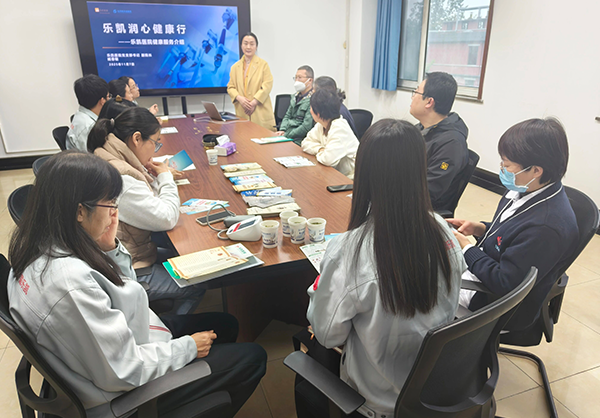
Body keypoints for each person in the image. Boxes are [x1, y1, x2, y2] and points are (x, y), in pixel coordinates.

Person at [7, 151, 267, 418]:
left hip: (123, 344)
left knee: (225, 325)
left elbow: (126, 293)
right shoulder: (71, 285)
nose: (115, 212)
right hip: (123, 395)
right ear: (80, 211)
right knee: (252, 358)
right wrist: (188, 347)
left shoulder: (39, 246)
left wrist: (110, 248)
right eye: (110, 203)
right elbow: (124, 371)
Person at [305, 119, 466, 418]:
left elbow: (328, 336)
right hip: (434, 387)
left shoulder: (349, 250)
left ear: (364, 174)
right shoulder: (443, 230)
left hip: (376, 402)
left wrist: (317, 292)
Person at [448, 118, 578, 332]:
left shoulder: (546, 227)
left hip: (495, 303)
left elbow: (504, 283)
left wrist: (467, 249)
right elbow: (512, 233)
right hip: (484, 273)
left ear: (536, 170)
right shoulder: (527, 188)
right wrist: (480, 228)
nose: (502, 169)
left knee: (416, 291)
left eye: (506, 165)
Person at [88, 107, 206, 314]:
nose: (156, 150)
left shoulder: (107, 154)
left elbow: (146, 201)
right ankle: (169, 329)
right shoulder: (122, 178)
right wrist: (165, 177)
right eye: (155, 142)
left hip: (124, 253)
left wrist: (153, 175)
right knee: (199, 282)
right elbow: (166, 217)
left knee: (184, 256)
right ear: (136, 139)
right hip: (128, 269)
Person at [409, 72, 469, 212]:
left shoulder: (451, 143)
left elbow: (429, 191)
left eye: (416, 92)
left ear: (429, 102)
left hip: (422, 210)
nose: (412, 97)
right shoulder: (421, 128)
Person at [301, 89, 359, 179]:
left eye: (311, 107)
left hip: (350, 179)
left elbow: (327, 160)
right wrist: (320, 149)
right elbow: (305, 143)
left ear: (318, 114)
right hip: (335, 174)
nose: (310, 110)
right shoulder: (322, 124)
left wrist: (319, 151)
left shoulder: (340, 128)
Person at [227, 32, 276, 131]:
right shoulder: (235, 67)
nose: (248, 47)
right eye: (245, 43)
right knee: (244, 137)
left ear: (256, 47)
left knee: (262, 137)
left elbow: (267, 85)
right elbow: (230, 87)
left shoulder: (263, 65)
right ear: (241, 46)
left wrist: (253, 103)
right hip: (242, 112)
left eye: (252, 44)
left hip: (260, 111)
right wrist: (239, 98)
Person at [66, 74, 110, 151]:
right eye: (108, 96)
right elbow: (92, 156)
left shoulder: (81, 114)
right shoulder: (88, 127)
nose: (109, 99)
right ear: (102, 101)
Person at [275, 65, 315, 144]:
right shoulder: (294, 97)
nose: (297, 81)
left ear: (310, 80)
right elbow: (287, 116)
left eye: (300, 78)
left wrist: (287, 135)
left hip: (301, 139)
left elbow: (306, 127)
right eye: (295, 78)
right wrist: (282, 130)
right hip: (288, 135)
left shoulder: (313, 99)